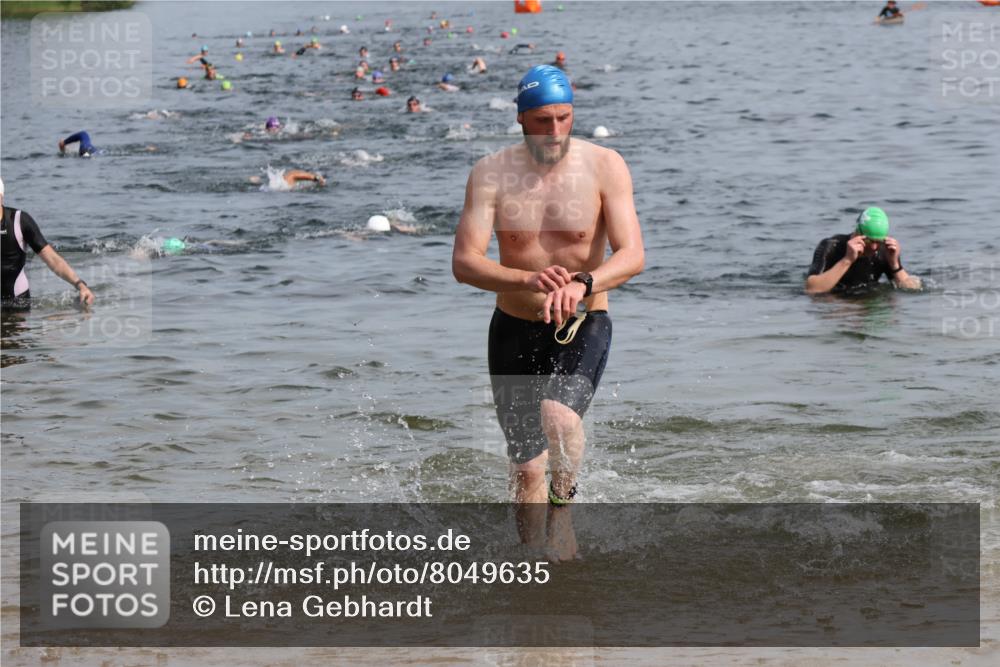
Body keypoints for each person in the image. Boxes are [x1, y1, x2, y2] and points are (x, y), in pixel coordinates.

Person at [452, 65, 644, 561]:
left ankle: (564, 509)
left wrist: (583, 282)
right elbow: (465, 263)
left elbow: (633, 255)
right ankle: (532, 565)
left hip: (583, 320)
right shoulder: (490, 174)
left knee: (558, 418)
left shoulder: (605, 166)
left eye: (564, 118)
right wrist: (525, 279)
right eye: (542, 120)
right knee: (525, 468)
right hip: (514, 326)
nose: (555, 131)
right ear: (520, 119)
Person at [1, 178, 96, 309]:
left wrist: (79, 284)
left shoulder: (18, 221)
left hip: (18, 304)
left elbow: (53, 259)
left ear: (1, 197)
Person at [804, 207, 921, 294]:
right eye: (869, 241)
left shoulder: (885, 251)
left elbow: (912, 290)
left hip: (868, 303)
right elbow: (811, 289)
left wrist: (895, 264)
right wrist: (847, 260)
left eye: (878, 241)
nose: (874, 247)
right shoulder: (831, 246)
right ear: (857, 233)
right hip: (838, 303)